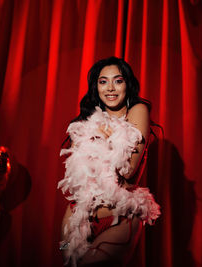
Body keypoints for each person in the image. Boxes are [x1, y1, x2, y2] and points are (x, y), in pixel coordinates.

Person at [59, 57, 160, 266]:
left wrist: (106, 141)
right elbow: (77, 176)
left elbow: (129, 170)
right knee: (66, 259)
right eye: (103, 81)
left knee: (90, 264)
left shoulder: (138, 111)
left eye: (118, 80)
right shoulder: (87, 122)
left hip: (121, 217)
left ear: (127, 84)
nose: (110, 88)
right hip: (78, 217)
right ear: (96, 87)